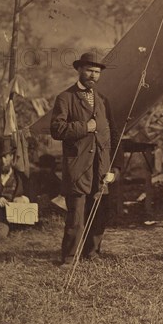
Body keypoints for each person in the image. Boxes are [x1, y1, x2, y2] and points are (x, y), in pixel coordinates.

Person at [51, 52, 123, 266]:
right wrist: (85, 127)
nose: (93, 75)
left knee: (99, 213)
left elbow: (113, 135)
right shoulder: (65, 98)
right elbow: (56, 129)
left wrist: (113, 167)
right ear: (79, 70)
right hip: (77, 167)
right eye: (90, 70)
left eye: (97, 72)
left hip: (100, 168)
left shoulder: (103, 100)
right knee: (76, 216)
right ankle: (69, 257)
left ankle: (92, 253)